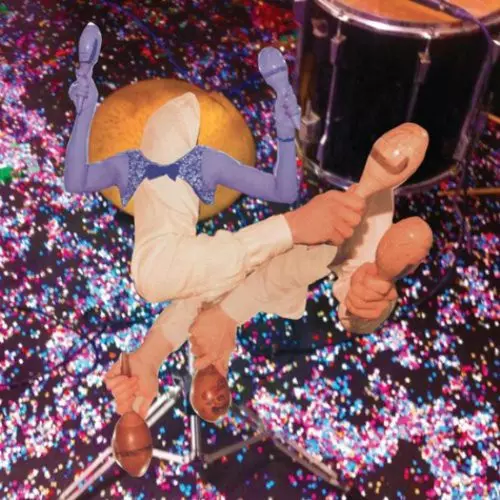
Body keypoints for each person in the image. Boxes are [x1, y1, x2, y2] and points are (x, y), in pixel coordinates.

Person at [104, 118, 429, 421]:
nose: (215, 399)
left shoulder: (197, 303)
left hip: (233, 151)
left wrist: (148, 358)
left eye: (206, 402)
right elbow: (339, 295)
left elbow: (186, 309)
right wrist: (366, 308)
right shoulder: (258, 303)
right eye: (221, 402)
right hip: (326, 218)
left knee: (156, 279)